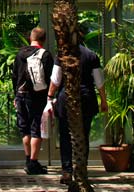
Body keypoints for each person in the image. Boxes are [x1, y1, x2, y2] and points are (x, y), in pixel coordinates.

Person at [46, 33, 108, 186]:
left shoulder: (62, 55)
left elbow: (55, 79)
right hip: (86, 98)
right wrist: (104, 101)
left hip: (65, 98)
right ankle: (81, 169)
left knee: (65, 136)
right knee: (83, 134)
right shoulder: (91, 55)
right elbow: (99, 81)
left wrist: (49, 96)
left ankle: (67, 171)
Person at [12, 26, 54, 175]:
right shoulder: (45, 55)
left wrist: (15, 95)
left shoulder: (20, 54)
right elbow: (51, 78)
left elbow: (15, 76)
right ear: (43, 40)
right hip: (37, 96)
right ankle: (33, 164)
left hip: (21, 95)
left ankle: (28, 160)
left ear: (31, 38)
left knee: (25, 129)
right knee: (36, 128)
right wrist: (50, 97)